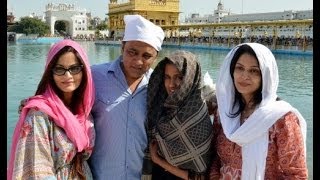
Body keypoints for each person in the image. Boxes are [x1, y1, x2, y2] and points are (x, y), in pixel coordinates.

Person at [209, 43, 308, 179]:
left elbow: (296, 174)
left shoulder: (281, 119)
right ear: (232, 71)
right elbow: (216, 157)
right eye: (240, 68)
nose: (245, 76)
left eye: (254, 71)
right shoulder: (224, 112)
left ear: (265, 76)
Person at [88, 14, 165, 180]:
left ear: (155, 57)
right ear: (122, 47)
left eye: (146, 56)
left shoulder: (158, 87)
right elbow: (64, 98)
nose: (138, 61)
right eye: (132, 52)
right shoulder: (94, 76)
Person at [7, 39, 95, 179]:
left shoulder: (84, 112)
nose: (68, 76)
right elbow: (38, 170)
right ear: (51, 73)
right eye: (60, 69)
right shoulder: (39, 115)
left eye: (74, 68)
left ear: (84, 71)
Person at [144, 50, 213, 180]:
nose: (171, 84)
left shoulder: (198, 116)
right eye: (167, 77)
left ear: (190, 78)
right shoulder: (159, 107)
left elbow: (199, 177)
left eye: (179, 77)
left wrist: (158, 160)